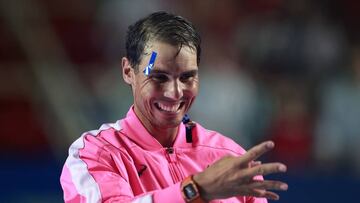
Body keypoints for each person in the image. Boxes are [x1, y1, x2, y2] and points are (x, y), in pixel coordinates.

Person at [60, 11, 288, 203]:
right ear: (128, 71)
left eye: (187, 77)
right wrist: (195, 189)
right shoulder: (94, 154)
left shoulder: (231, 158)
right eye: (159, 77)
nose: (175, 92)